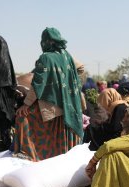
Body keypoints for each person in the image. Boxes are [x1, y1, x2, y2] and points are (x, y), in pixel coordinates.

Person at [13, 27, 83, 161]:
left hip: (52, 104)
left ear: (46, 42)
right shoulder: (67, 55)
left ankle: (29, 155)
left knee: (23, 118)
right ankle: (60, 158)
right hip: (69, 104)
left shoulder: (46, 58)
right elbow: (81, 68)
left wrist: (26, 105)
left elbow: (38, 84)